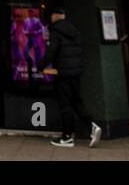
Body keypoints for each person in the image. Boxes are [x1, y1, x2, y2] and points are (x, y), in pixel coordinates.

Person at [41, 8, 102, 148]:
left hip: (62, 73)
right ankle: (93, 126)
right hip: (75, 73)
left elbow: (51, 53)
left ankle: (67, 137)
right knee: (76, 102)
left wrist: (40, 66)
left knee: (65, 105)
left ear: (54, 16)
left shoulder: (55, 31)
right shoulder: (75, 31)